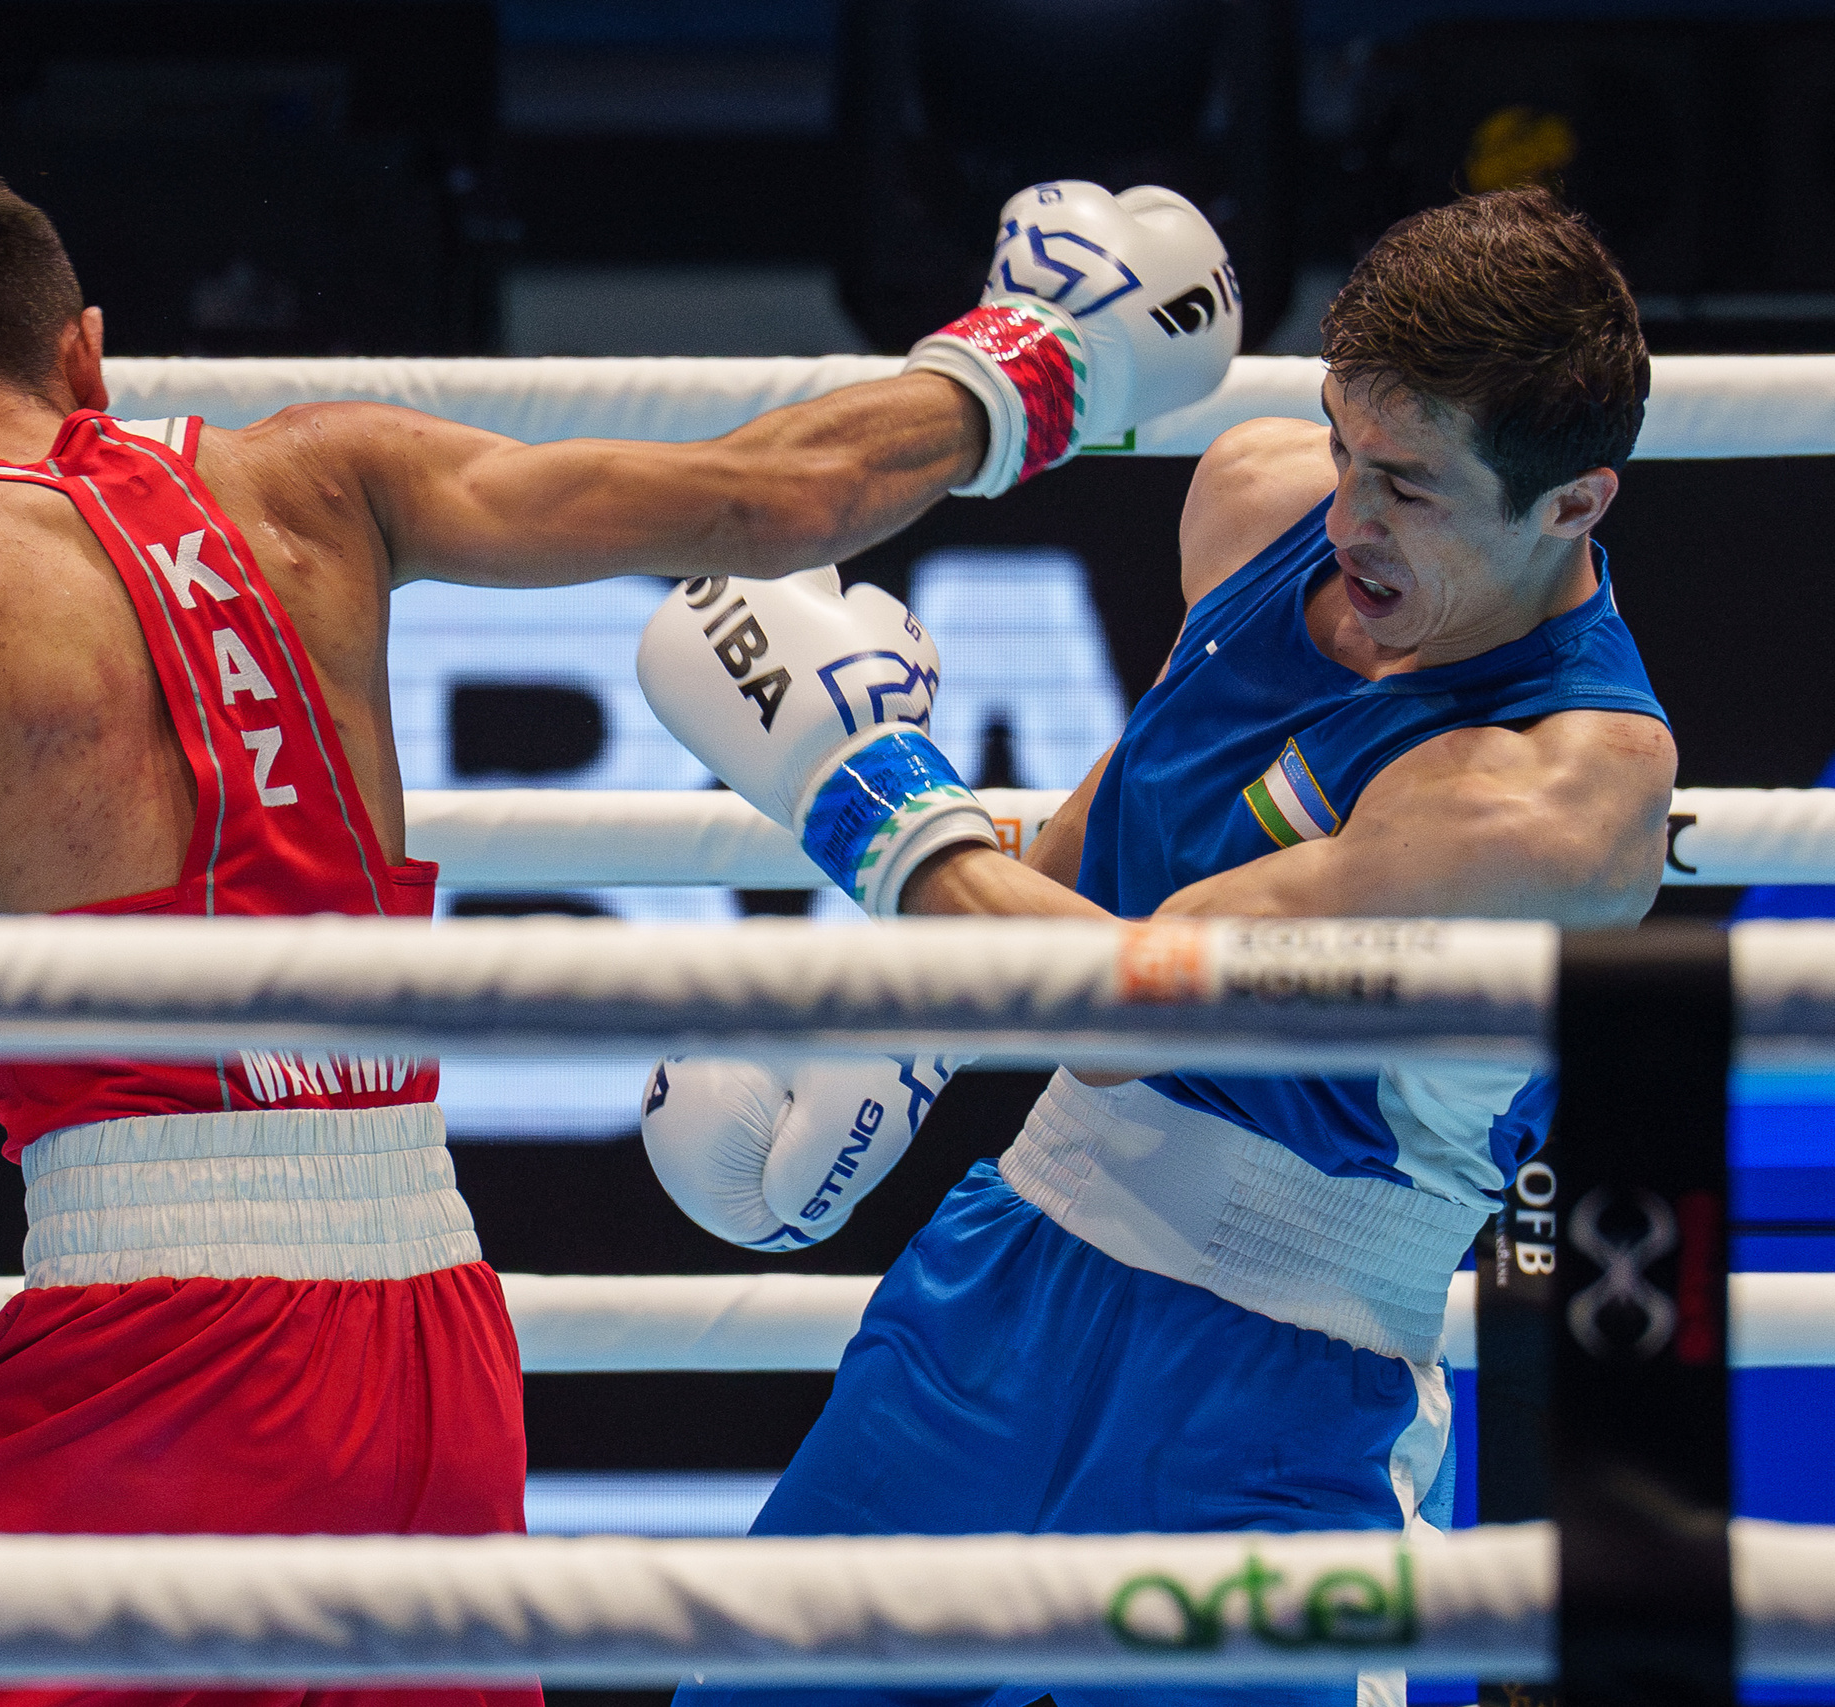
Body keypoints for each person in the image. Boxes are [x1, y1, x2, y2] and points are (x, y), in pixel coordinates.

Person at [0, 160, 1239, 1707]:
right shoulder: (323, 477)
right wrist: (1037, 363)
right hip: (437, 1333)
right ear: (85, 355)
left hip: (166, 1357)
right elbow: (783, 498)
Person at [639, 185, 1672, 1707]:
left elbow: (1131, 995)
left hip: (1281, 1407)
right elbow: (1098, 844)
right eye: (1341, 442)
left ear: (1574, 504)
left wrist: (857, 788)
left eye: (1408, 485)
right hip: (1004, 1285)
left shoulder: (1553, 795)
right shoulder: (1258, 507)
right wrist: (905, 1023)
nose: (1346, 517)